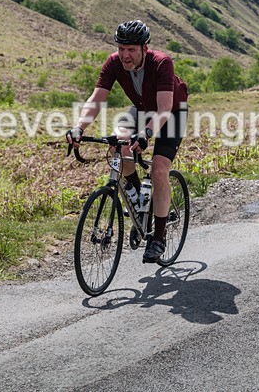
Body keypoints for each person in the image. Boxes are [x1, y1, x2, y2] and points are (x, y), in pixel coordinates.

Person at [67, 20, 188, 263]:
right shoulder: (114, 62)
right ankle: (138, 196)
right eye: (121, 49)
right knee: (117, 143)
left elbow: (163, 109)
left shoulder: (162, 62)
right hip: (141, 109)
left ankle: (159, 237)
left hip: (171, 113)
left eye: (131, 49)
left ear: (145, 48)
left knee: (159, 169)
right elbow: (97, 99)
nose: (125, 55)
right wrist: (79, 126)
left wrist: (146, 133)